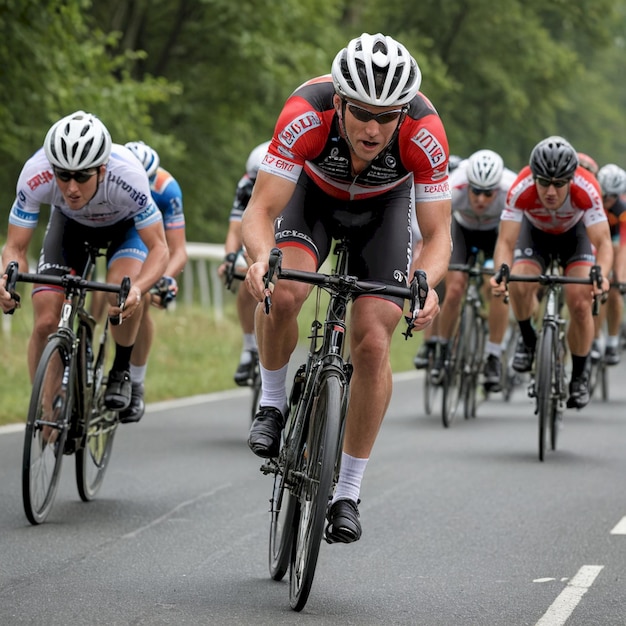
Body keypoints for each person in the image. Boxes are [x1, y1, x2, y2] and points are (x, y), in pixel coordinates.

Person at [241, 33, 452, 543]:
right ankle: (271, 404)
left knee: (374, 340)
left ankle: (348, 492)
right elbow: (261, 211)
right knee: (285, 290)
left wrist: (427, 285)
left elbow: (440, 235)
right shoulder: (304, 113)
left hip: (384, 211)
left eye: (388, 116)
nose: (374, 127)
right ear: (338, 102)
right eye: (362, 112)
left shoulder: (425, 132)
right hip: (311, 199)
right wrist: (258, 259)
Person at [0, 112, 169, 412]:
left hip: (124, 229)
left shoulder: (128, 175)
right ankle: (45, 409)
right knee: (45, 322)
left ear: (102, 170)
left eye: (82, 176)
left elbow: (160, 248)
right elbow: (15, 248)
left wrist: (139, 289)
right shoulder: (34, 174)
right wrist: (7, 280)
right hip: (69, 228)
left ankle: (120, 368)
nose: (71, 187)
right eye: (63, 176)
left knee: (120, 291)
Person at [490, 136, 612, 410]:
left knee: (581, 299)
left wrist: (601, 274)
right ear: (534, 177)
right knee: (520, 283)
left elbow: (604, 243)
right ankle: (528, 339)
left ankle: (579, 375)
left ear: (572, 178)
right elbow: (506, 242)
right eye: (544, 182)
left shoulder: (587, 187)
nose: (551, 192)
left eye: (559, 184)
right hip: (535, 236)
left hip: (574, 237)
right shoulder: (521, 187)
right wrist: (501, 271)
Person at [427, 149, 517, 392]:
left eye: (488, 193)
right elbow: (435, 227)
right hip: (462, 232)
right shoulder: (454, 183)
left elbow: (514, 237)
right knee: (455, 289)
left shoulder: (511, 189)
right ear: (468, 185)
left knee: (498, 288)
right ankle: (444, 350)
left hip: (496, 235)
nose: (481, 199)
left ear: (497, 189)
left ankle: (493, 357)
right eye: (476, 191)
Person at [120, 141, 188, 422]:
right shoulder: (114, 181)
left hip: (149, 238)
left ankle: (136, 382)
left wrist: (166, 279)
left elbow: (178, 250)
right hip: (119, 229)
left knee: (143, 297)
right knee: (106, 288)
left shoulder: (166, 188)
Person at [218, 140, 271, 386]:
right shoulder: (246, 184)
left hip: (285, 231)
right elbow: (235, 229)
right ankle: (249, 348)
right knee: (248, 274)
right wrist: (230, 257)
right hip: (258, 235)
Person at [592, 163, 626, 365]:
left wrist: (620, 278)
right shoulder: (592, 202)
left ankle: (612, 341)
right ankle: (595, 339)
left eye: (613, 196)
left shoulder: (622, 210)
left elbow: (623, 246)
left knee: (613, 290)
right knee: (595, 287)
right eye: (605, 195)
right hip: (594, 240)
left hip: (614, 243)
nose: (608, 200)